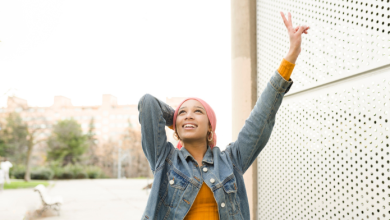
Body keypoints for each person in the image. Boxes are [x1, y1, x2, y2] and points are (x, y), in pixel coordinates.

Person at [138, 12, 309, 220]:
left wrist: (291, 54)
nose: (188, 115)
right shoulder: (164, 160)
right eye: (183, 113)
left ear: (210, 127)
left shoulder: (231, 161)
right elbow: (148, 104)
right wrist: (180, 120)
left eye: (197, 112)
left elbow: (261, 117)